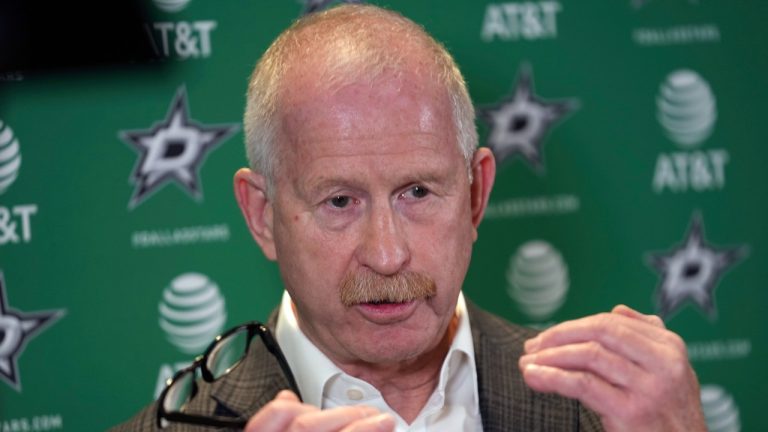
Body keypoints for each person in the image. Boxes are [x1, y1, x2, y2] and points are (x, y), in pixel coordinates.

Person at [112, 4, 706, 431]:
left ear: (475, 194)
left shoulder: (609, 414)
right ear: (262, 215)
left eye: (417, 192)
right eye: (339, 202)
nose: (387, 254)